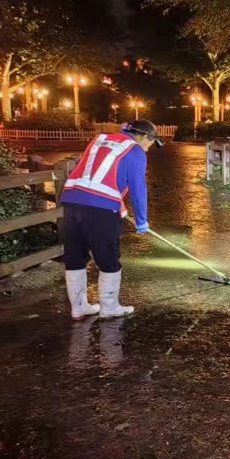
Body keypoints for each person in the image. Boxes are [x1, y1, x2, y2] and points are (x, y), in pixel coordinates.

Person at [60, 119, 163, 320]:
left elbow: (98, 177)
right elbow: (137, 188)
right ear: (145, 136)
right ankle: (109, 307)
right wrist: (142, 221)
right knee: (108, 256)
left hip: (72, 201)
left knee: (75, 255)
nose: (149, 148)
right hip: (100, 208)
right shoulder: (134, 150)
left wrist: (120, 207)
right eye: (151, 142)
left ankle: (79, 307)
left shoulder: (100, 140)